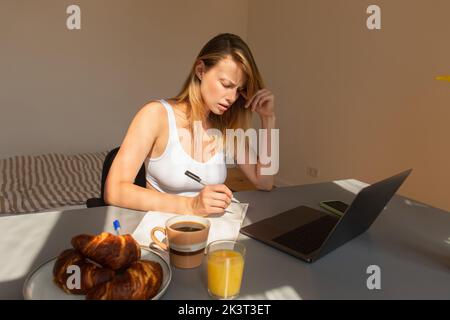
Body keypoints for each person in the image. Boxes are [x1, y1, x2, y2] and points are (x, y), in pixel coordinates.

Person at [104, 33, 276, 216]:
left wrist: (269, 119)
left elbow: (264, 182)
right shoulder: (156, 115)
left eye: (239, 89)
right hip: (162, 235)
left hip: (211, 233)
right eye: (226, 84)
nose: (232, 98)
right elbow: (114, 190)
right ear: (200, 70)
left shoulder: (226, 126)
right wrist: (191, 205)